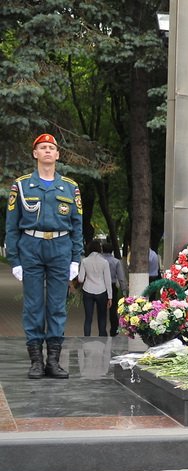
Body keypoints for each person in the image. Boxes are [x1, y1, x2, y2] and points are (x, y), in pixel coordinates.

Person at [5, 133, 84, 379]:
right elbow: (11, 226)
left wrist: (75, 258)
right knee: (33, 306)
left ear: (57, 155)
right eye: (43, 147)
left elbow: (77, 225)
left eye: (51, 147)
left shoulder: (70, 187)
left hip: (61, 248)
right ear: (35, 154)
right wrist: (15, 260)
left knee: (57, 306)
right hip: (31, 247)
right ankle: (36, 362)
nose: (48, 150)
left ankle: (53, 361)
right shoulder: (21, 185)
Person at [78, 239, 113, 337]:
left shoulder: (84, 261)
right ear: (99, 249)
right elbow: (108, 280)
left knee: (88, 318)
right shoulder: (104, 262)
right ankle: (102, 338)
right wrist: (110, 297)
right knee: (102, 317)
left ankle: (86, 338)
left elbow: (80, 279)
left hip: (87, 290)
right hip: (101, 291)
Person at [102, 241, 127, 335]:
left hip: (101, 287)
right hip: (112, 287)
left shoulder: (100, 261)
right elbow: (121, 277)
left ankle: (102, 331)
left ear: (102, 250)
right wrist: (124, 290)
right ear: (112, 250)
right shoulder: (116, 262)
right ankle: (114, 330)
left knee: (102, 310)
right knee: (113, 310)